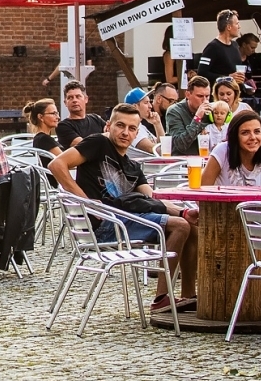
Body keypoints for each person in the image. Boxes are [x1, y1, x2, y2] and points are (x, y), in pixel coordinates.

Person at [48, 104, 198, 312]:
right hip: (102, 226)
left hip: (125, 223)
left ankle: (189, 296)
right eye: (120, 126)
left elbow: (152, 198)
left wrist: (183, 210)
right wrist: (87, 204)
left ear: (137, 132)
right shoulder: (99, 143)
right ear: (108, 126)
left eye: (131, 128)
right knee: (180, 226)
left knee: (190, 225)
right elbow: (56, 165)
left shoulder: (133, 167)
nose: (125, 132)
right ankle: (162, 299)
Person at [204, 109, 261, 187]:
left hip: (255, 203)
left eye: (257, 131)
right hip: (222, 203)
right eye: (245, 133)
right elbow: (202, 194)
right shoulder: (222, 150)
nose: (253, 137)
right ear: (235, 136)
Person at [162, 76, 212, 155]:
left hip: (206, 161)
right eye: (200, 96)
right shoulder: (174, 111)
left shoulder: (211, 111)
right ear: (188, 95)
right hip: (181, 162)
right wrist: (197, 118)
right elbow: (180, 145)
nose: (205, 100)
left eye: (207, 96)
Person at [198, 9, 246, 84]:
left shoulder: (235, 45)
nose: (239, 27)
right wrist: (227, 78)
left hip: (235, 92)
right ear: (229, 27)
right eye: (237, 24)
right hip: (219, 93)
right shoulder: (212, 47)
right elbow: (201, 73)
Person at [55, 81, 106, 149]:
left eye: (78, 96)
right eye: (70, 97)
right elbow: (84, 146)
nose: (74, 100)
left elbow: (113, 137)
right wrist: (105, 136)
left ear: (86, 99)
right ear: (65, 103)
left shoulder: (96, 119)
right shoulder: (62, 126)